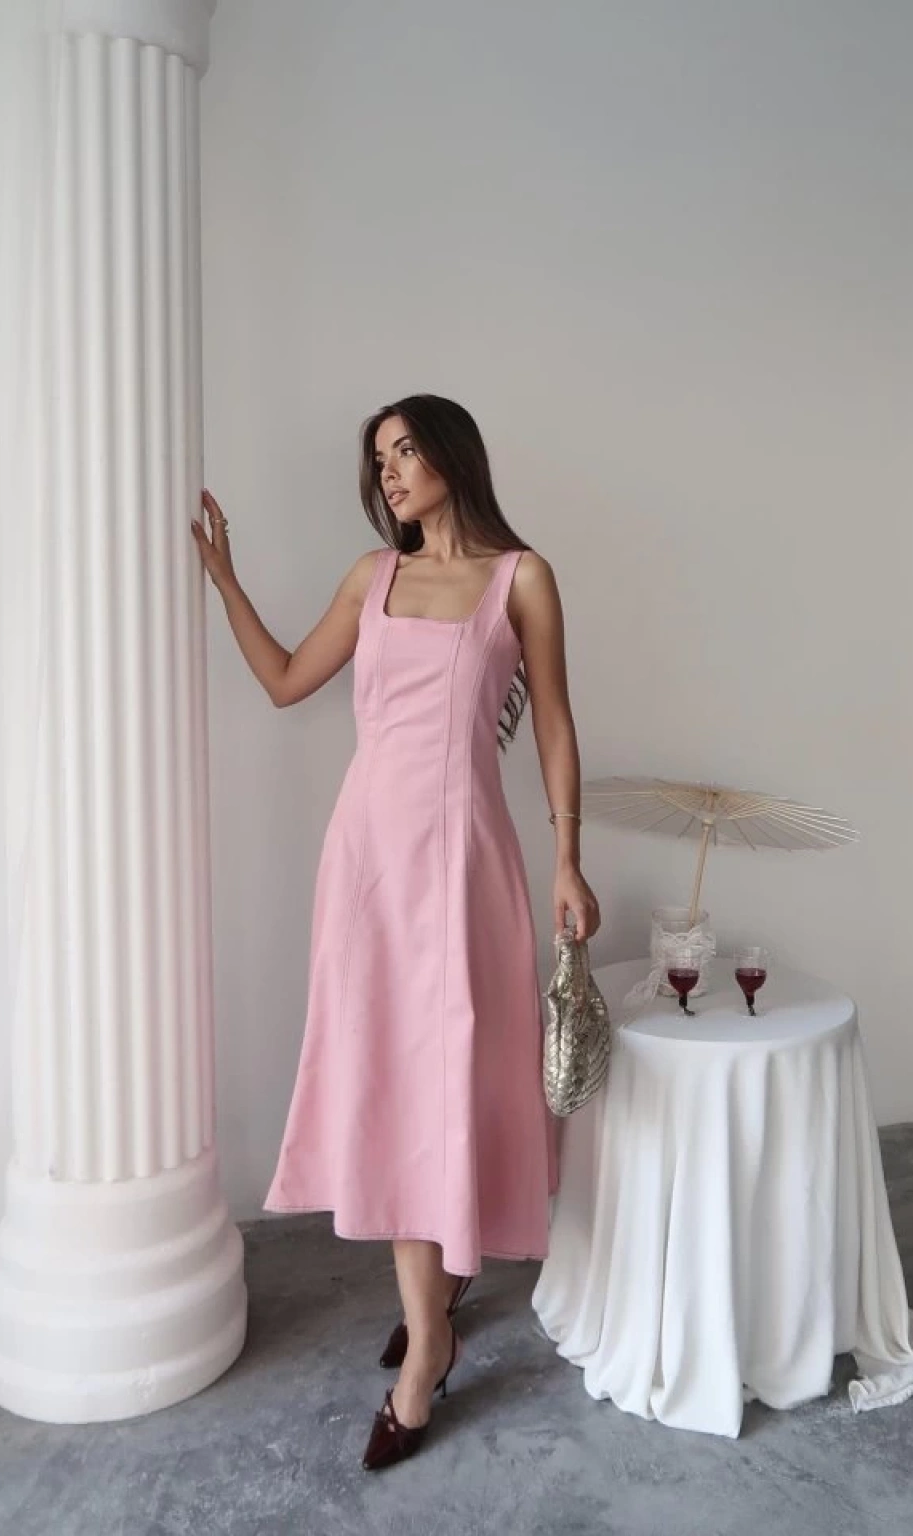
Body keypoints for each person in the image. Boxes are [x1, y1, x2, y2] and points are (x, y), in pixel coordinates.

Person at [192, 393, 601, 1470]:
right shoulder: (370, 578)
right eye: (378, 458)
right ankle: (431, 1334)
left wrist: (567, 857)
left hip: (464, 867)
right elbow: (287, 681)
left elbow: (556, 723)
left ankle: (434, 1323)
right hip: (368, 866)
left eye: (406, 449)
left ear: (453, 455)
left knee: (451, 1080)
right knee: (392, 1082)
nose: (389, 472)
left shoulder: (522, 579)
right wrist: (226, 580)